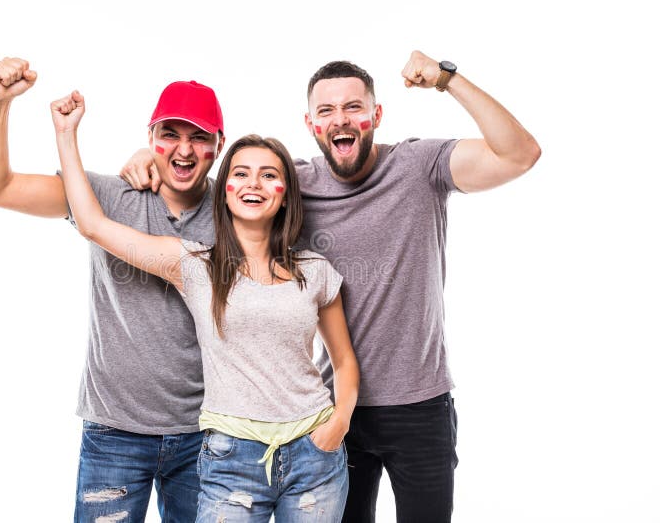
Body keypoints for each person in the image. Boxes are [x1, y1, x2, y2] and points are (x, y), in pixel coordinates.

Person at [120, 50, 541, 522]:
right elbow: (227, 183)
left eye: (353, 107)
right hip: (333, 413)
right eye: (326, 111)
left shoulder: (421, 166)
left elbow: (520, 153)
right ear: (311, 124)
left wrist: (447, 78)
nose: (340, 119)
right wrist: (147, 157)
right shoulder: (294, 183)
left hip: (420, 404)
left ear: (376, 115)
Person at [51, 87, 360, 522]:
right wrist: (67, 134)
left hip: (314, 454)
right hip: (229, 455)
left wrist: (337, 426)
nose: (254, 184)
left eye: (270, 175)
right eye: (242, 174)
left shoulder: (315, 269)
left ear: (287, 193)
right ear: (224, 189)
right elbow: (92, 224)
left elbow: (343, 360)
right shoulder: (194, 264)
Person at [0, 57, 226, 522]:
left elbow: (286, 182)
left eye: (199, 137)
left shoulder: (238, 211)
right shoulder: (109, 197)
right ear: (150, 138)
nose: (184, 149)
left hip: (206, 434)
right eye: (170, 134)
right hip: (115, 432)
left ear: (219, 145)